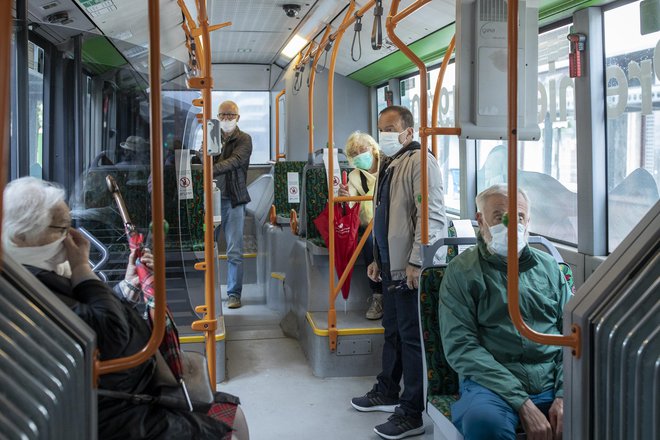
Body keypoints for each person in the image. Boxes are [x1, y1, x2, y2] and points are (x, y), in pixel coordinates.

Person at [2, 177, 247, 440]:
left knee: (233, 413)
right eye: (60, 229)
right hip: (112, 409)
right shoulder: (25, 290)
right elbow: (111, 331)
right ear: (20, 236)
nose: (71, 238)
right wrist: (82, 267)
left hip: (130, 389)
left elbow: (95, 314)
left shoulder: (47, 272)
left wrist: (129, 284)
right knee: (229, 429)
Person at [439, 184, 571, 440]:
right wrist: (522, 402)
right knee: (485, 423)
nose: (511, 226)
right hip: (491, 383)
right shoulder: (462, 272)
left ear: (528, 221)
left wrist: (565, 393)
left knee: (605, 408)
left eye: (519, 217)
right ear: (480, 220)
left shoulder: (550, 269)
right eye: (500, 217)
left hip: (552, 378)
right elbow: (462, 346)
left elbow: (573, 335)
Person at [351, 106, 447, 439]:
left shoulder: (422, 162)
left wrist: (419, 261)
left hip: (410, 266)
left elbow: (431, 215)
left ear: (408, 130)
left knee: (412, 338)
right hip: (391, 264)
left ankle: (412, 412)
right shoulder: (393, 164)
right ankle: (388, 389)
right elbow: (385, 217)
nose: (385, 135)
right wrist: (377, 257)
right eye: (381, 128)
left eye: (391, 128)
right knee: (392, 330)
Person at [338, 131, 387, 320]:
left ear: (373, 148)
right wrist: (344, 197)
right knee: (368, 240)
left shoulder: (388, 166)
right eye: (354, 153)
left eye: (362, 150)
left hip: (389, 221)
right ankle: (378, 296)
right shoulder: (355, 177)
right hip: (369, 226)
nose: (359, 155)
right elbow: (350, 203)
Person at [213, 101, 253, 309]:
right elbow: (202, 159)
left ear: (238, 118)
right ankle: (208, 290)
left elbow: (236, 161)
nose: (226, 119)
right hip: (211, 200)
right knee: (207, 247)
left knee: (234, 250)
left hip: (234, 200)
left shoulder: (244, 139)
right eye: (222, 115)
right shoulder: (211, 136)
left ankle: (233, 294)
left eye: (230, 115)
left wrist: (209, 170)